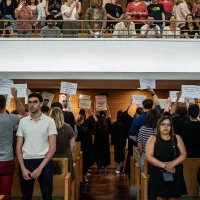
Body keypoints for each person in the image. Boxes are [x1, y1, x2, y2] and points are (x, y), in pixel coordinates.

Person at [16, 92, 57, 199]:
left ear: (41, 104)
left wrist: (40, 168)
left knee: (47, 196)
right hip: (26, 162)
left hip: (44, 162)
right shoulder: (23, 122)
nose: (32, 105)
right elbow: (18, 147)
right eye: (29, 102)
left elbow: (53, 147)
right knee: (26, 196)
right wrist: (23, 168)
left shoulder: (49, 121)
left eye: (35, 102)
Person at [146, 116, 187, 200]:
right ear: (158, 126)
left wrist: (173, 163)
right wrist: (165, 166)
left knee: (174, 198)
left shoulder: (177, 138)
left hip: (175, 172)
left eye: (168, 125)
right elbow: (149, 156)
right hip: (158, 173)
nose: (165, 127)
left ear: (171, 127)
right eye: (163, 124)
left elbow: (184, 154)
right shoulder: (152, 138)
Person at [0, 88, 25, 200]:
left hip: (6, 161)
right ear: (4, 106)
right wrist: (15, 96)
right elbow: (22, 114)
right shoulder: (9, 118)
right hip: (6, 161)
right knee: (6, 192)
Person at [49, 107, 75, 180]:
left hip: (51, 157)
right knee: (67, 180)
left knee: (53, 180)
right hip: (66, 156)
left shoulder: (47, 127)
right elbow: (72, 145)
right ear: (61, 115)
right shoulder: (68, 127)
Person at [91, 105, 112, 174]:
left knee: (98, 155)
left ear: (99, 115)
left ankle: (99, 168)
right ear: (105, 115)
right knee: (105, 154)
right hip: (105, 142)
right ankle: (105, 169)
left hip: (98, 142)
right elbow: (109, 115)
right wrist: (108, 107)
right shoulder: (107, 121)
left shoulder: (97, 121)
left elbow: (93, 115)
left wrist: (91, 109)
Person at [75, 109, 94, 181]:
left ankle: (83, 175)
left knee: (82, 161)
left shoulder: (76, 126)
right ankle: (84, 174)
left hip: (80, 146)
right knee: (86, 161)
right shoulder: (88, 123)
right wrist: (91, 112)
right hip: (88, 146)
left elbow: (76, 137)